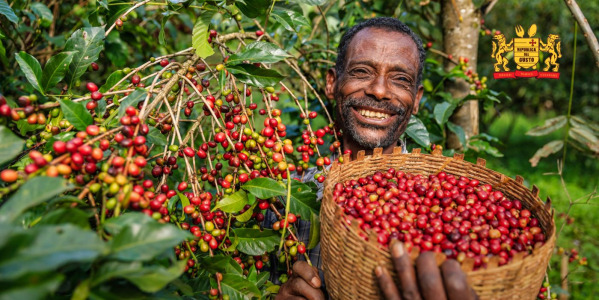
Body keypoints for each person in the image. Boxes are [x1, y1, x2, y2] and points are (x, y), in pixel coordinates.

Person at [273, 17, 478, 300]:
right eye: (361, 71)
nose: (379, 91)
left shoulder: (450, 205)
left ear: (416, 99)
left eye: (400, 79)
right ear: (332, 83)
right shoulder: (284, 202)